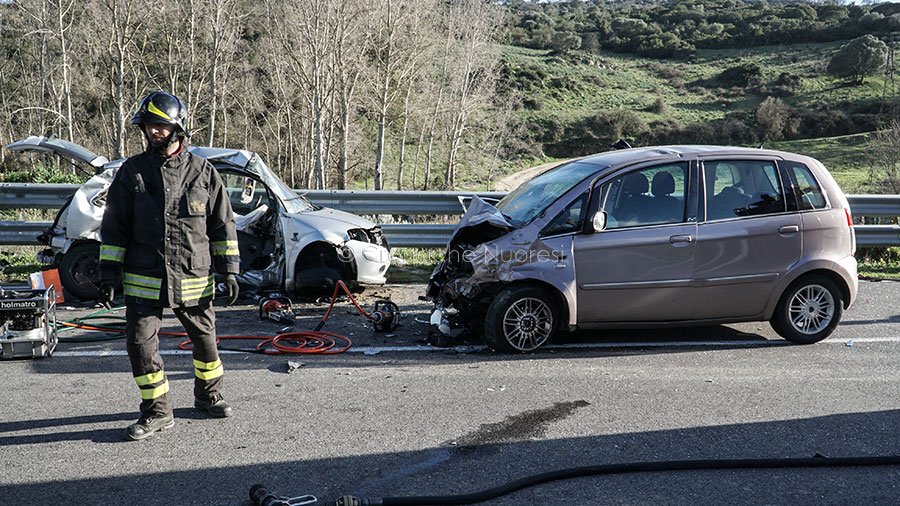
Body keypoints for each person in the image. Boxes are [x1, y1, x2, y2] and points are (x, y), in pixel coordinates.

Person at [98, 91, 241, 441]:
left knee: (206, 343)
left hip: (194, 275)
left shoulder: (203, 173)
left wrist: (231, 269)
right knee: (140, 346)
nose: (153, 132)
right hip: (144, 276)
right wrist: (107, 274)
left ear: (178, 127)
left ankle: (208, 395)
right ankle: (157, 411)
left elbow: (223, 225)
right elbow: (114, 228)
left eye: (160, 125)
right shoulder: (132, 173)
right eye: (149, 126)